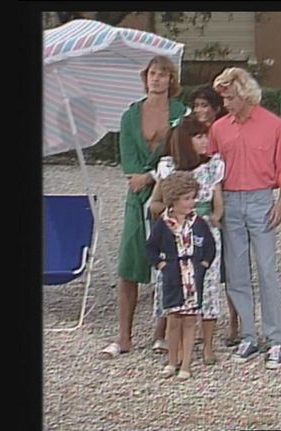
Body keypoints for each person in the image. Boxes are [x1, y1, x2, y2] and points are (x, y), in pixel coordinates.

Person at [209, 67, 281, 370]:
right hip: (231, 201)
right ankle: (248, 334)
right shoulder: (219, 129)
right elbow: (213, 171)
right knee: (236, 271)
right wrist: (218, 206)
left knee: (266, 269)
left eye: (230, 98)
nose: (226, 104)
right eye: (224, 98)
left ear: (245, 95)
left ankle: (275, 338)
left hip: (261, 199)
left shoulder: (273, 125)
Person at [100, 55, 188, 359]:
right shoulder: (130, 115)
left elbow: (181, 154)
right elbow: (128, 158)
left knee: (170, 262)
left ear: (171, 79)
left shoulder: (181, 113)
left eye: (163, 74)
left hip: (169, 193)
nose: (157, 78)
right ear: (145, 77)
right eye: (152, 73)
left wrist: (152, 176)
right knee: (129, 264)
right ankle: (123, 336)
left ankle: (161, 333)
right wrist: (139, 177)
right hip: (136, 198)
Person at [149, 116, 225, 365]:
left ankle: (208, 345)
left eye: (205, 136)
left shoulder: (213, 165)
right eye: (198, 136)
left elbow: (218, 204)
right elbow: (154, 203)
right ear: (185, 140)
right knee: (175, 288)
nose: (205, 141)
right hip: (174, 236)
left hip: (202, 233)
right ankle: (177, 348)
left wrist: (211, 218)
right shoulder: (168, 166)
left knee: (208, 286)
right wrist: (173, 214)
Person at [146, 171, 216, 379]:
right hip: (173, 278)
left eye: (193, 198)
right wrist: (161, 265)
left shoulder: (199, 223)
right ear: (174, 200)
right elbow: (150, 247)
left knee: (189, 321)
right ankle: (171, 361)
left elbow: (210, 246)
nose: (191, 202)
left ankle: (186, 364)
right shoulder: (163, 224)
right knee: (173, 320)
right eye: (187, 198)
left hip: (193, 279)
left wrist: (203, 265)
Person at [188, 86, 241, 348]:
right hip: (201, 203)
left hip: (227, 195)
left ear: (215, 108)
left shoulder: (224, 130)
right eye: (196, 105)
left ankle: (234, 322)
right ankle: (199, 322)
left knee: (230, 266)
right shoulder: (190, 132)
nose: (200, 110)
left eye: (204, 105)